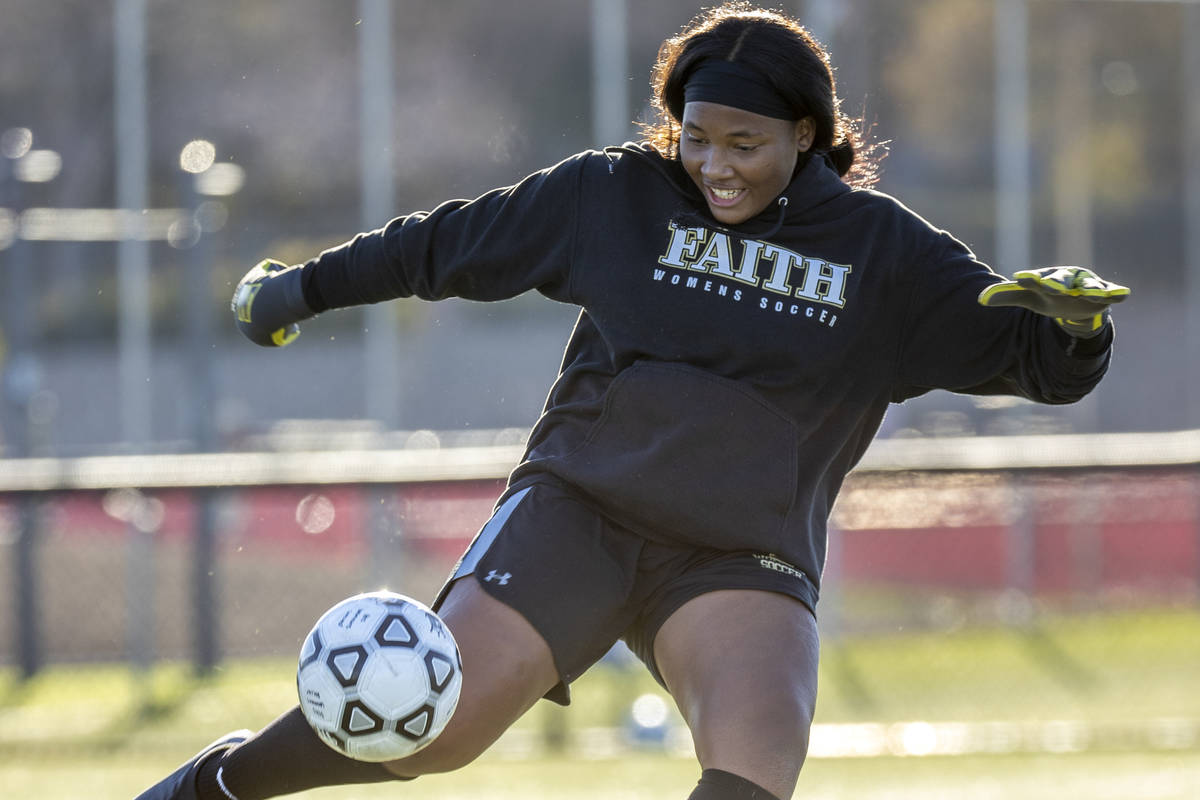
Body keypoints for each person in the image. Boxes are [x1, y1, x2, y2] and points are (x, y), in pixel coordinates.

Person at [136, 3, 1128, 799]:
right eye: (698, 137)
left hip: (740, 552)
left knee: (757, 763)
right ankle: (213, 785)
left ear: (807, 135)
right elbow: (439, 247)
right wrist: (295, 290)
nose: (716, 164)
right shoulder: (611, 197)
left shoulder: (886, 254)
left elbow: (1040, 364)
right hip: (581, 516)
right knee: (430, 734)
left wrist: (1078, 327)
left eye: (746, 142)